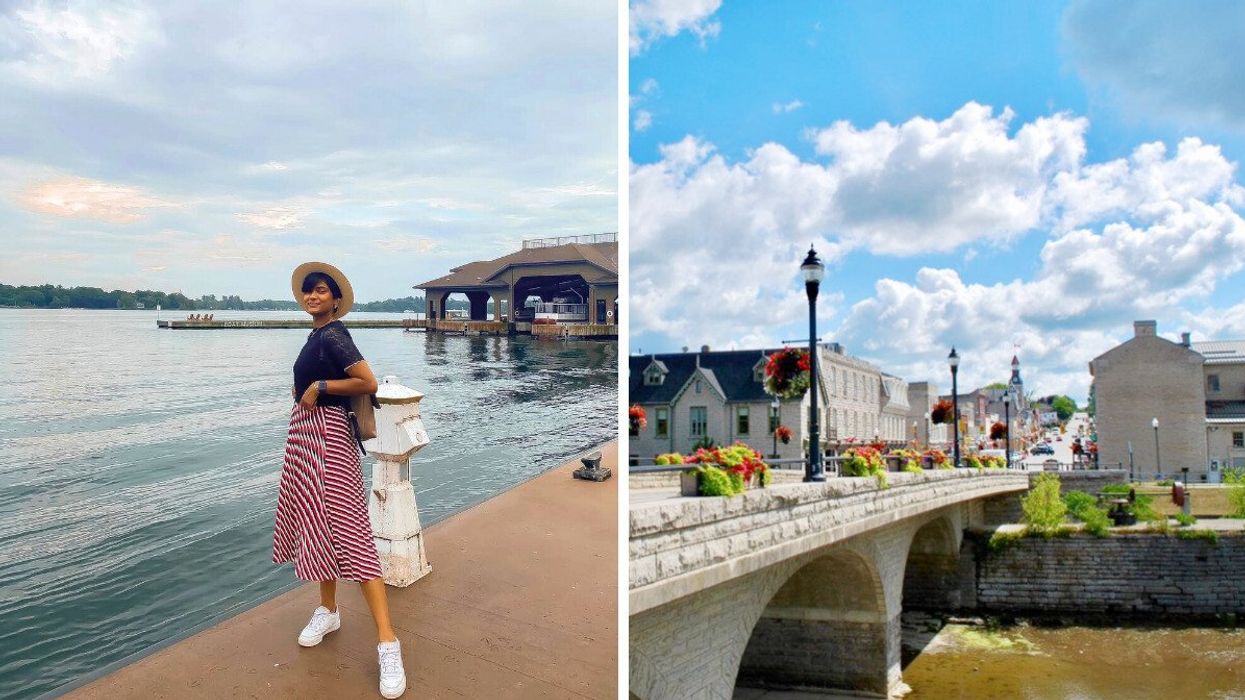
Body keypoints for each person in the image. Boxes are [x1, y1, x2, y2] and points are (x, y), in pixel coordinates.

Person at [271, 261, 406, 699]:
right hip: (306, 440)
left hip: (328, 441)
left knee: (350, 531)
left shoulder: (334, 334)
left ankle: (388, 641)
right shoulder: (316, 336)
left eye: (321, 291)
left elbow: (366, 381)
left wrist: (321, 388)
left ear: (335, 299)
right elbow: (307, 388)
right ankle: (328, 609)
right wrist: (305, 391)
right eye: (308, 291)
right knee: (316, 523)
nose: (313, 296)